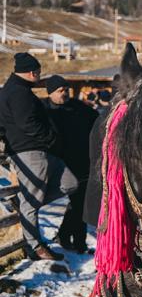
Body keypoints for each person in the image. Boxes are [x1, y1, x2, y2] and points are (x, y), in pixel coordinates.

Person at [0, 53, 78, 261]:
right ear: (32, 72)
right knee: (31, 203)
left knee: (70, 183)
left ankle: (26, 203)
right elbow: (28, 124)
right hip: (31, 151)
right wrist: (51, 139)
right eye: (39, 72)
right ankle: (36, 247)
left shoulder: (17, 90)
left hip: (37, 151)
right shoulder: (18, 93)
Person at [44, 75, 98, 253]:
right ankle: (75, 241)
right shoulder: (44, 110)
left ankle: (71, 239)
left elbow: (97, 122)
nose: (64, 93)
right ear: (50, 93)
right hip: (60, 164)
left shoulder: (78, 107)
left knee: (79, 203)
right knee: (78, 204)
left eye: (66, 89)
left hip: (83, 162)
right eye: (60, 91)